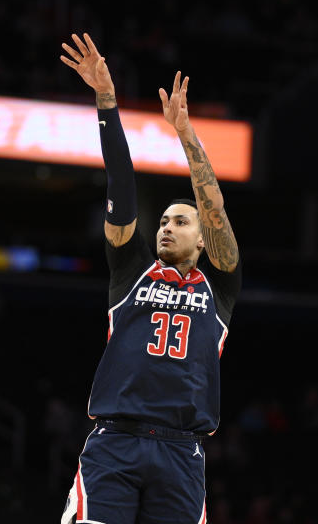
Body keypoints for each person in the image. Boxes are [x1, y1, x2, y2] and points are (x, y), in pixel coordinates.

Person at [58, 35, 241, 524]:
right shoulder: (131, 269)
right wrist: (106, 100)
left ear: (203, 240)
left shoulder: (219, 287)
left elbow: (215, 207)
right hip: (115, 441)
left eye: (180, 222)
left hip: (183, 453)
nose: (166, 226)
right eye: (163, 220)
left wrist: (185, 135)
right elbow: (121, 180)